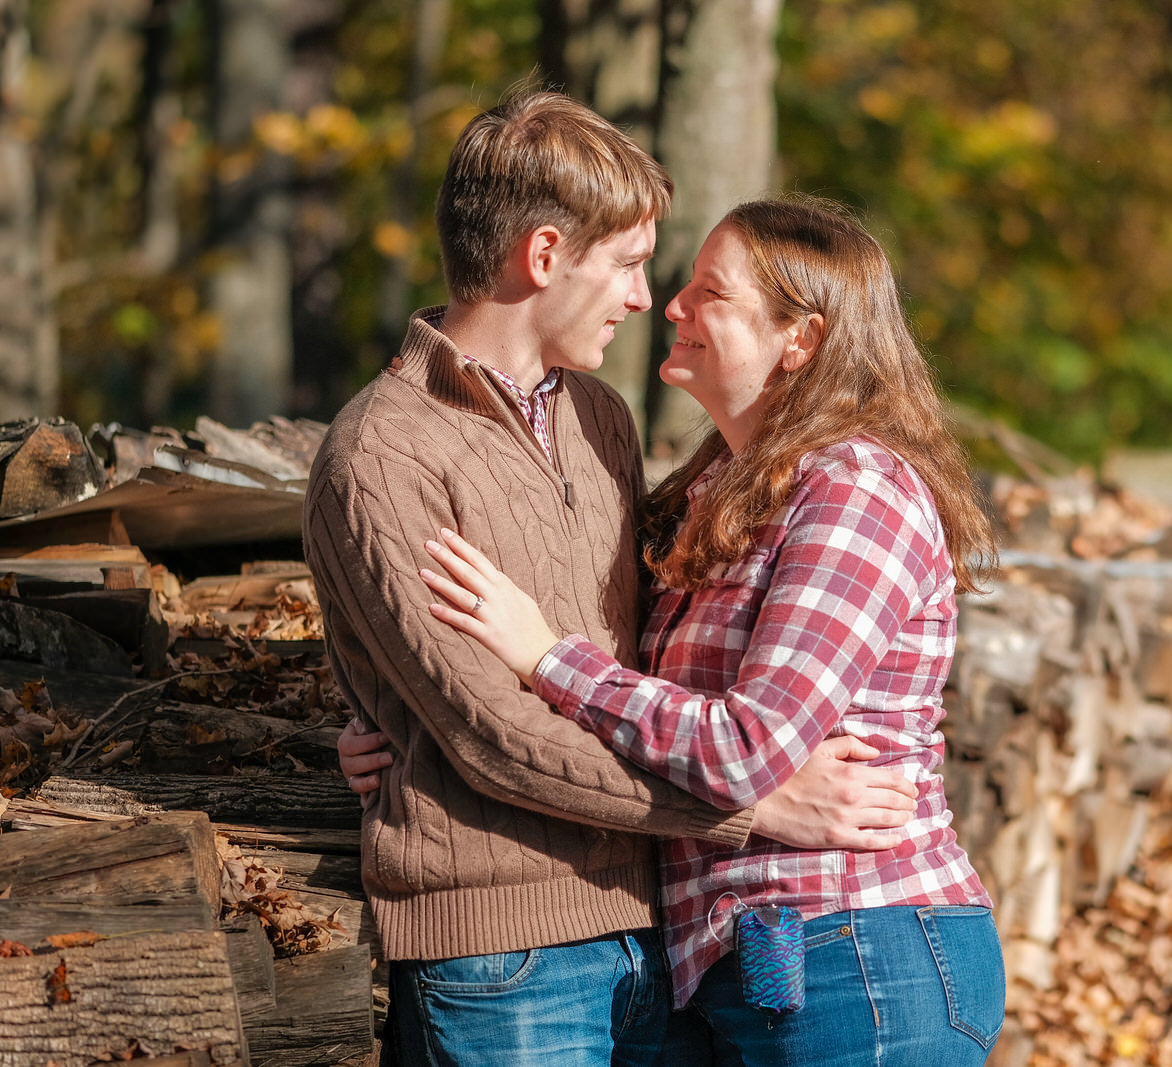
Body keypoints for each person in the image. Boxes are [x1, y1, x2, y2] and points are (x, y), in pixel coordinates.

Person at [306, 83, 918, 1067]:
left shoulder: (600, 420)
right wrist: (753, 805)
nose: (645, 298)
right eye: (628, 264)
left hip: (652, 939)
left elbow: (639, 657)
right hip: (502, 951)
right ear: (543, 255)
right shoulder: (385, 454)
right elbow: (490, 733)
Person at [406, 197, 1007, 1065]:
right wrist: (405, 733)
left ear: (800, 339)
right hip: (757, 962)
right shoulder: (720, 489)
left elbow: (742, 748)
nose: (671, 305)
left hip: (861, 960)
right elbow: (673, 722)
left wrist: (545, 656)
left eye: (710, 293)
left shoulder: (855, 491)